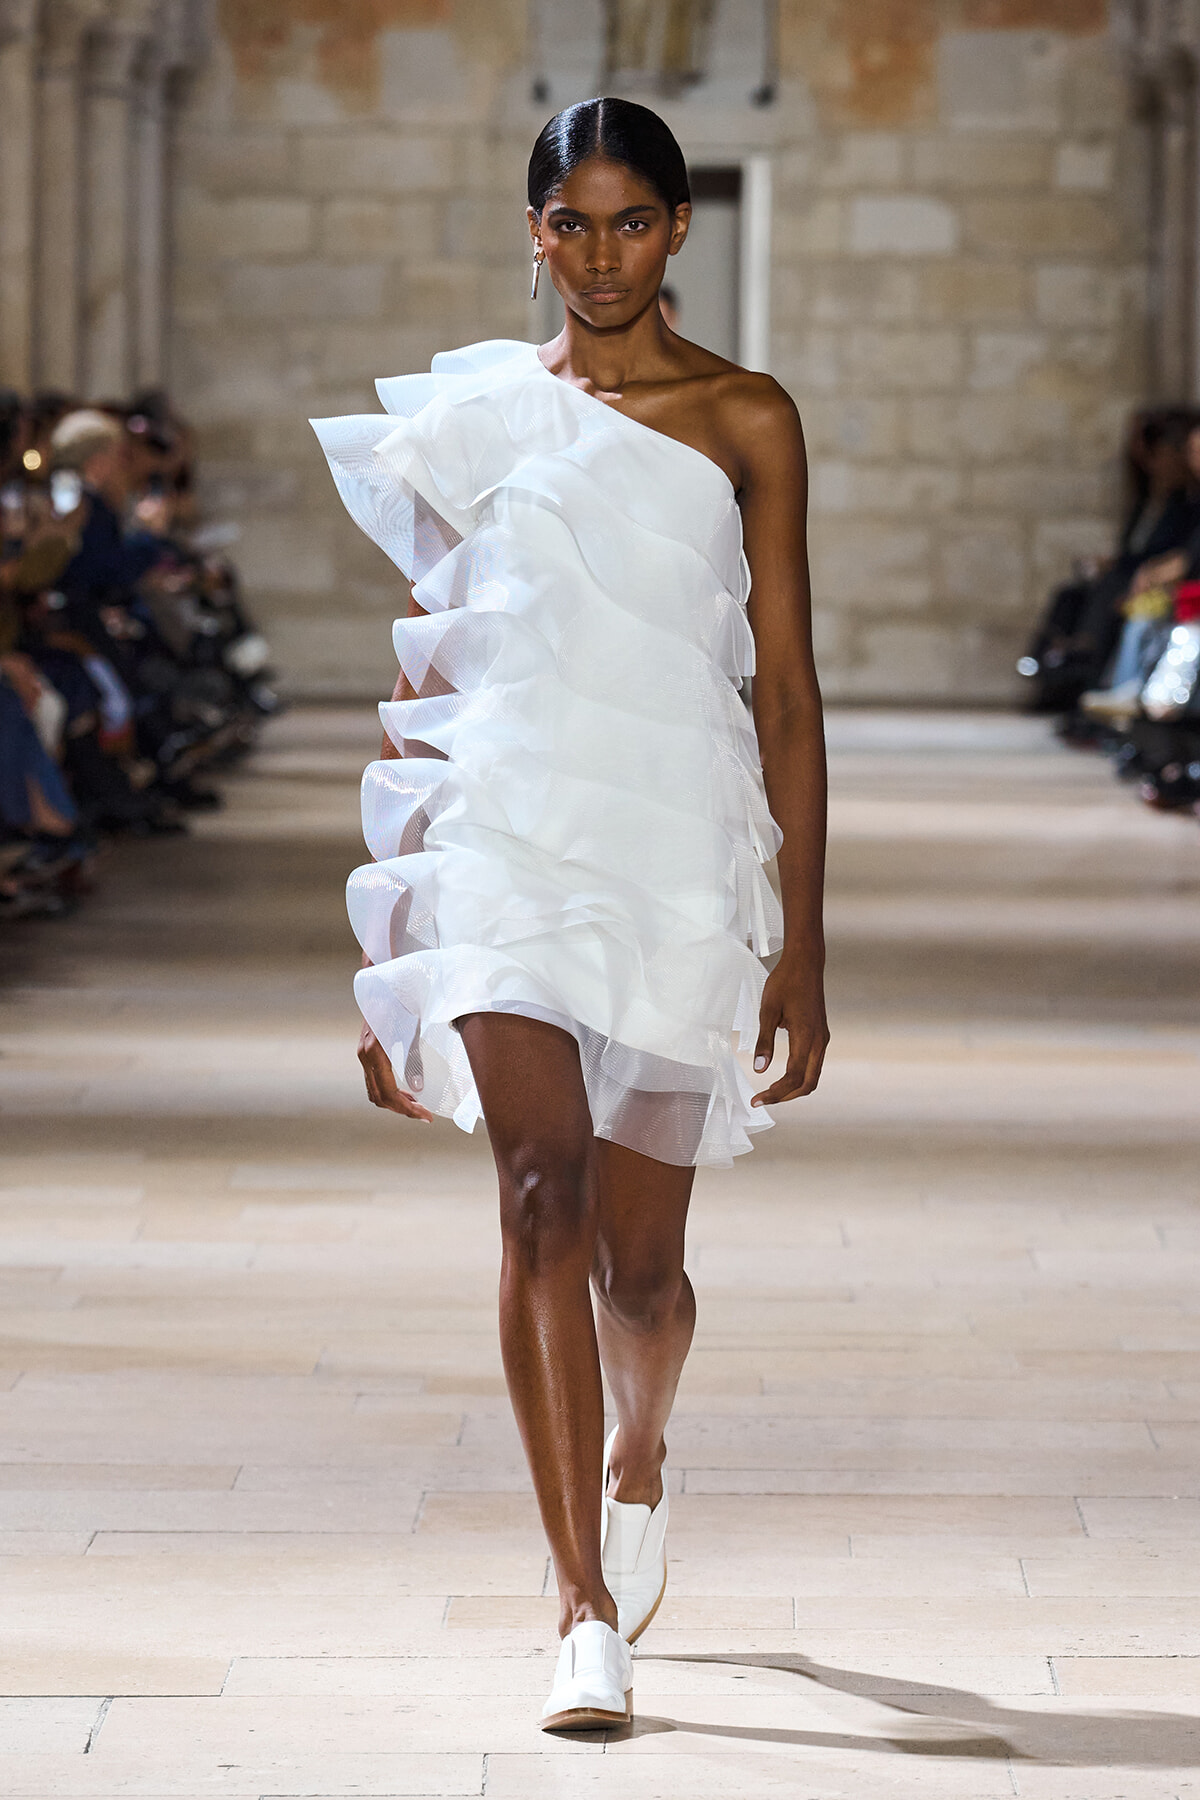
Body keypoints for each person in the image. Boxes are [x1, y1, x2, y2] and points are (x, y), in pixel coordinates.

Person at [312, 96, 828, 1733]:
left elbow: (789, 694)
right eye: (572, 223)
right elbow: (432, 675)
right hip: (507, 839)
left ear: (680, 229)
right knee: (539, 1192)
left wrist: (805, 946)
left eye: (632, 222)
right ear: (534, 233)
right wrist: (394, 955)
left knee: (641, 1274)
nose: (602, 255)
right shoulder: (480, 416)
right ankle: (578, 1604)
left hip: (671, 843)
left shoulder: (746, 418)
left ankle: (641, 1449)